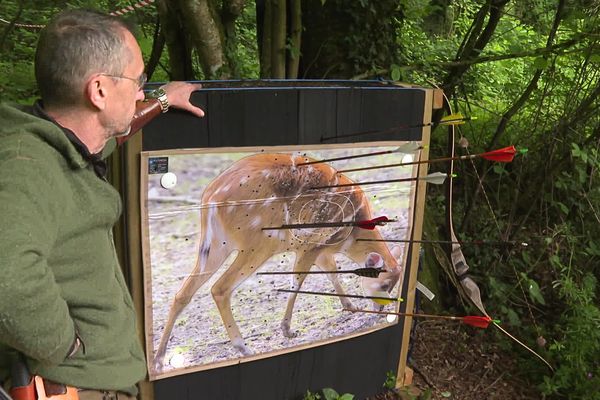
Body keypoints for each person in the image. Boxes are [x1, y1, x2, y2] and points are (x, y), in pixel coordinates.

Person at [0, 9, 205, 400]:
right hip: (75, 387)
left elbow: (109, 138)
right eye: (138, 80)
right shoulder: (25, 167)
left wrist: (164, 100)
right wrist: (64, 345)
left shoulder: (62, 145)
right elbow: (7, 279)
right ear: (98, 91)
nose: (142, 90)